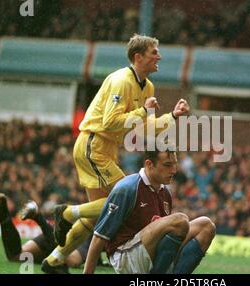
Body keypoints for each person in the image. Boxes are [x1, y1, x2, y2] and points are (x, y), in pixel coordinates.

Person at [42, 34, 190, 273]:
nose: (159, 56)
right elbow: (110, 123)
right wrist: (142, 110)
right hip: (94, 143)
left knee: (100, 214)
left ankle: (55, 259)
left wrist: (172, 116)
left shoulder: (148, 86)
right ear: (138, 57)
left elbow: (144, 129)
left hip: (106, 148)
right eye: (154, 52)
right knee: (126, 197)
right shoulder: (121, 80)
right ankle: (68, 212)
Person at [83, 149, 216, 274]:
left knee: (206, 225)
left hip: (148, 252)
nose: (174, 170)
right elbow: (99, 236)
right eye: (167, 165)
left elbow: (167, 240)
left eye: (175, 164)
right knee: (180, 221)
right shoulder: (128, 188)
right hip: (126, 257)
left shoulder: (165, 192)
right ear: (149, 164)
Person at [0, 193, 105, 273]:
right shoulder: (107, 226)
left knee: (17, 256)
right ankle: (38, 217)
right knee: (72, 261)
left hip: (53, 234)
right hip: (78, 233)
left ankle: (2, 212)